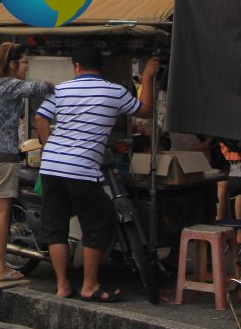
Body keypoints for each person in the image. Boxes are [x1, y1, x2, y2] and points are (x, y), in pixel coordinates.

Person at [34, 46, 157, 302]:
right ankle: (89, 285)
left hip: (52, 166)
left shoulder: (63, 89)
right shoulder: (114, 91)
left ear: (76, 66)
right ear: (99, 67)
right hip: (81, 168)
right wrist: (146, 78)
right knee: (98, 224)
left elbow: (40, 117)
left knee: (56, 227)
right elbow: (145, 110)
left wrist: (49, 146)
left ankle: (62, 285)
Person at [0, 43, 54, 282]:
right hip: (4, 157)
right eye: (25, 62)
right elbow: (42, 87)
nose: (28, 67)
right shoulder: (12, 85)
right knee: (0, 211)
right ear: (12, 64)